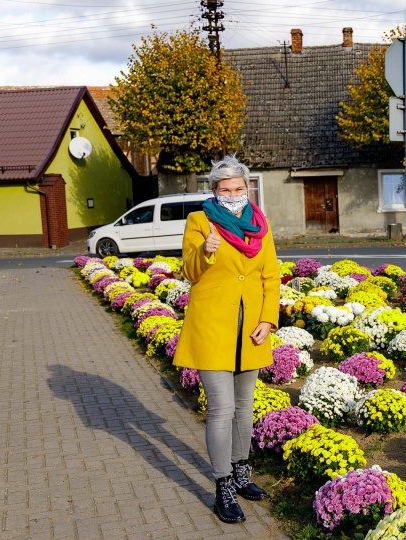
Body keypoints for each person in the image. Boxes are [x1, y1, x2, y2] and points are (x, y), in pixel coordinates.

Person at [173, 155, 280, 523]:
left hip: (251, 329)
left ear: (247, 187)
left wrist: (268, 319)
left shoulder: (259, 224)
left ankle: (241, 472)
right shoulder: (200, 221)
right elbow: (187, 271)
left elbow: (271, 276)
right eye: (225, 189)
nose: (233, 194)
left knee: (244, 408)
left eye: (239, 188)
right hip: (212, 327)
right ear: (214, 191)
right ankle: (223, 488)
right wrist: (205, 253)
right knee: (221, 409)